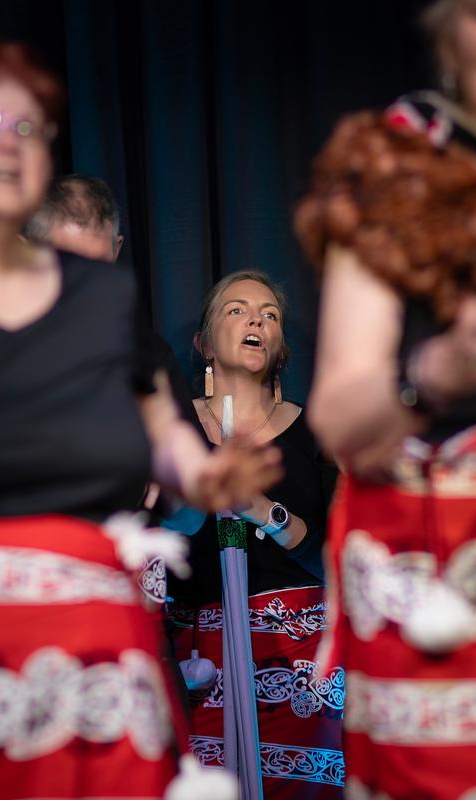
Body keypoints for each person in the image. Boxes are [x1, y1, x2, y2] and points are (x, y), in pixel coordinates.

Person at [0, 37, 281, 800]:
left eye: (29, 126)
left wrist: (205, 474)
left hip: (99, 636)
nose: (8, 141)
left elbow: (166, 439)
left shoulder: (108, 305)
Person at [296, 1, 476, 798]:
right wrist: (439, 370)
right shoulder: (392, 172)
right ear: (446, 32)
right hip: (437, 599)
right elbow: (339, 420)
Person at [169, 271, 344, 798]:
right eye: (237, 309)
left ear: (281, 346)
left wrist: (266, 512)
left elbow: (337, 558)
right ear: (203, 342)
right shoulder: (170, 432)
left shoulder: (319, 431)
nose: (256, 321)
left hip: (300, 661)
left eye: (270, 315)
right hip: (197, 656)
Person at [23, 173, 203, 442]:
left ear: (116, 250)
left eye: (97, 267)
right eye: (68, 264)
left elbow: (179, 446)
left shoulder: (147, 352)